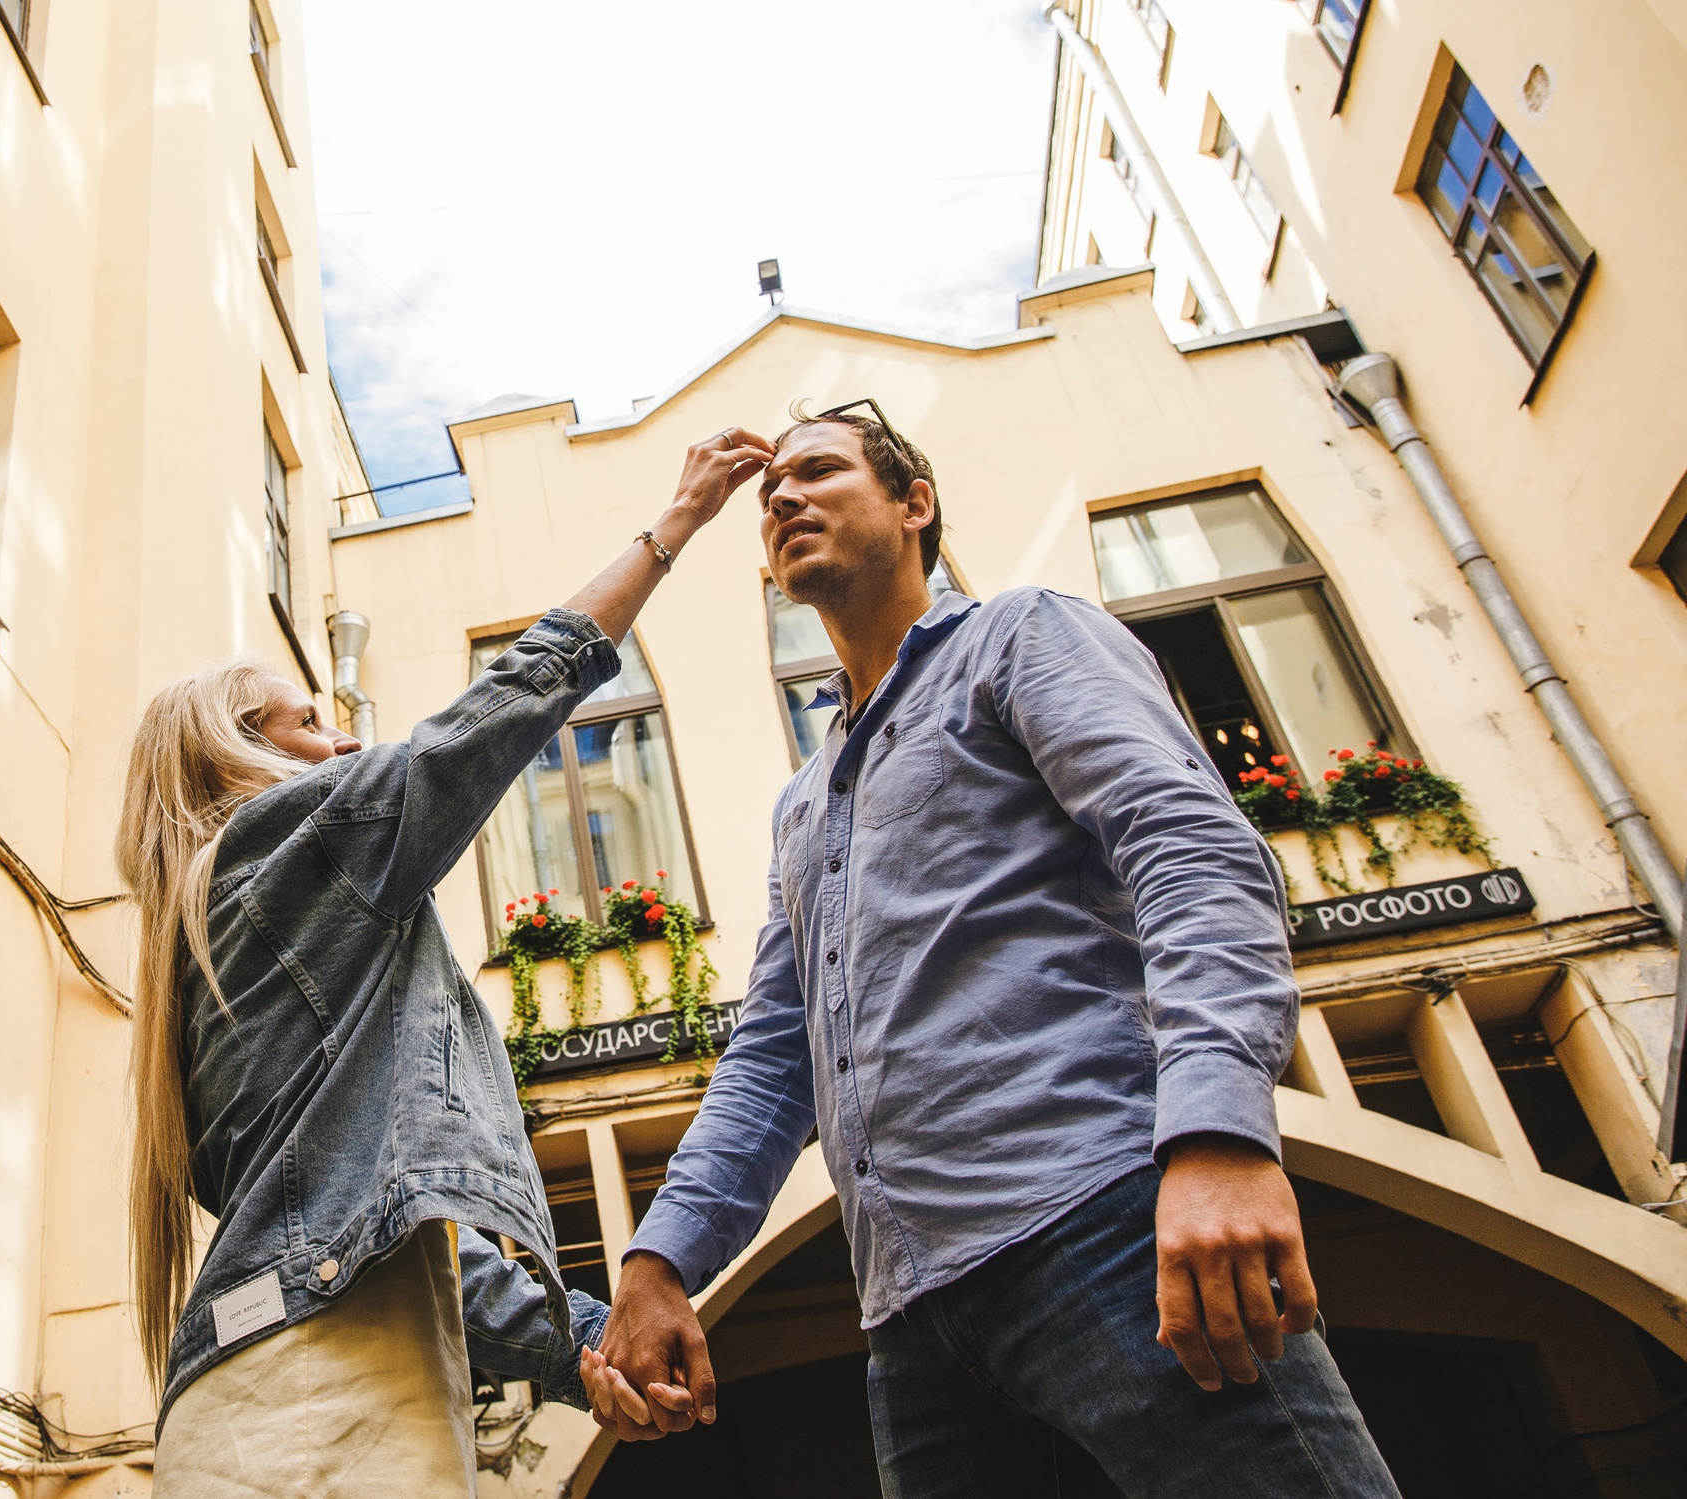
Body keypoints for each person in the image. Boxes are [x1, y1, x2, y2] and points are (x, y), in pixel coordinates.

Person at [579, 409, 1402, 1496]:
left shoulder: (1021, 638)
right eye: (770, 490)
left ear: (914, 506)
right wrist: (658, 1260)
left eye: (818, 471)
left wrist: (1215, 1135)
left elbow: (1191, 852)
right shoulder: (804, 803)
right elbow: (777, 1053)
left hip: (1101, 1227)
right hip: (914, 1331)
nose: (779, 498)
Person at [118, 429, 775, 1497]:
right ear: (240, 751)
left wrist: (588, 1350)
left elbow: (407, 1250)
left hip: (273, 1404)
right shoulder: (284, 842)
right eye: (309, 723)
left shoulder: (214, 953)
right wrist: (674, 527)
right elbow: (490, 720)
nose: (341, 743)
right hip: (319, 1409)